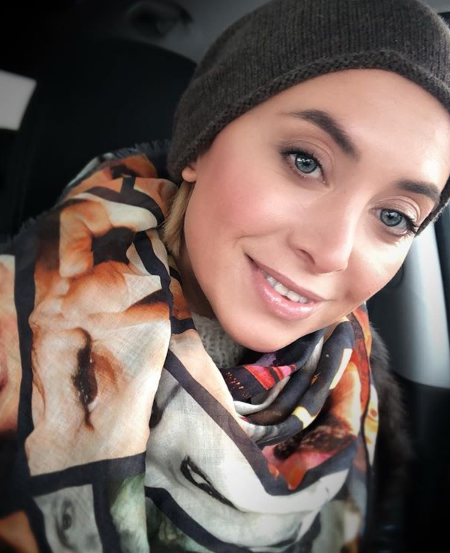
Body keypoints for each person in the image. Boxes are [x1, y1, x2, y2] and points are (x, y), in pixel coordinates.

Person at [1, 0, 450, 551]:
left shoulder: (356, 388)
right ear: (202, 144)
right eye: (305, 161)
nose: (331, 252)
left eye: (395, 217)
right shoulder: (14, 325)